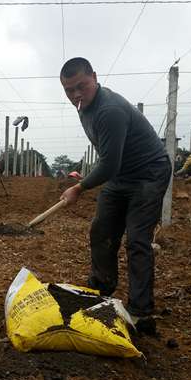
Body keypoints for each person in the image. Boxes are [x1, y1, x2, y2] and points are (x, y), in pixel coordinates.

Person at [59, 57, 172, 336]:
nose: (75, 94)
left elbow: (108, 164)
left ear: (95, 78)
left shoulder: (109, 110)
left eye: (81, 86)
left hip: (148, 173)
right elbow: (112, 164)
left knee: (137, 240)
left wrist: (79, 187)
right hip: (121, 175)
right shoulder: (83, 105)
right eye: (69, 90)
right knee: (101, 231)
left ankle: (141, 310)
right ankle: (101, 287)